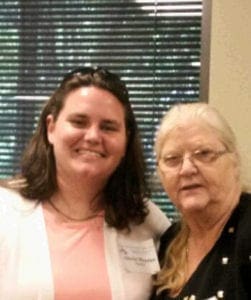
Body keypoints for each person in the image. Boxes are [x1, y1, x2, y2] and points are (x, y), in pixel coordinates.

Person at [0, 66, 170, 300]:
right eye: (79, 122)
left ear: (125, 139)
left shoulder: (147, 221)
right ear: (51, 128)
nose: (92, 136)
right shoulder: (5, 211)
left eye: (108, 127)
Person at [150, 102, 251, 299]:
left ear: (234, 162)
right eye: (172, 159)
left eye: (204, 154)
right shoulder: (170, 241)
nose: (187, 169)